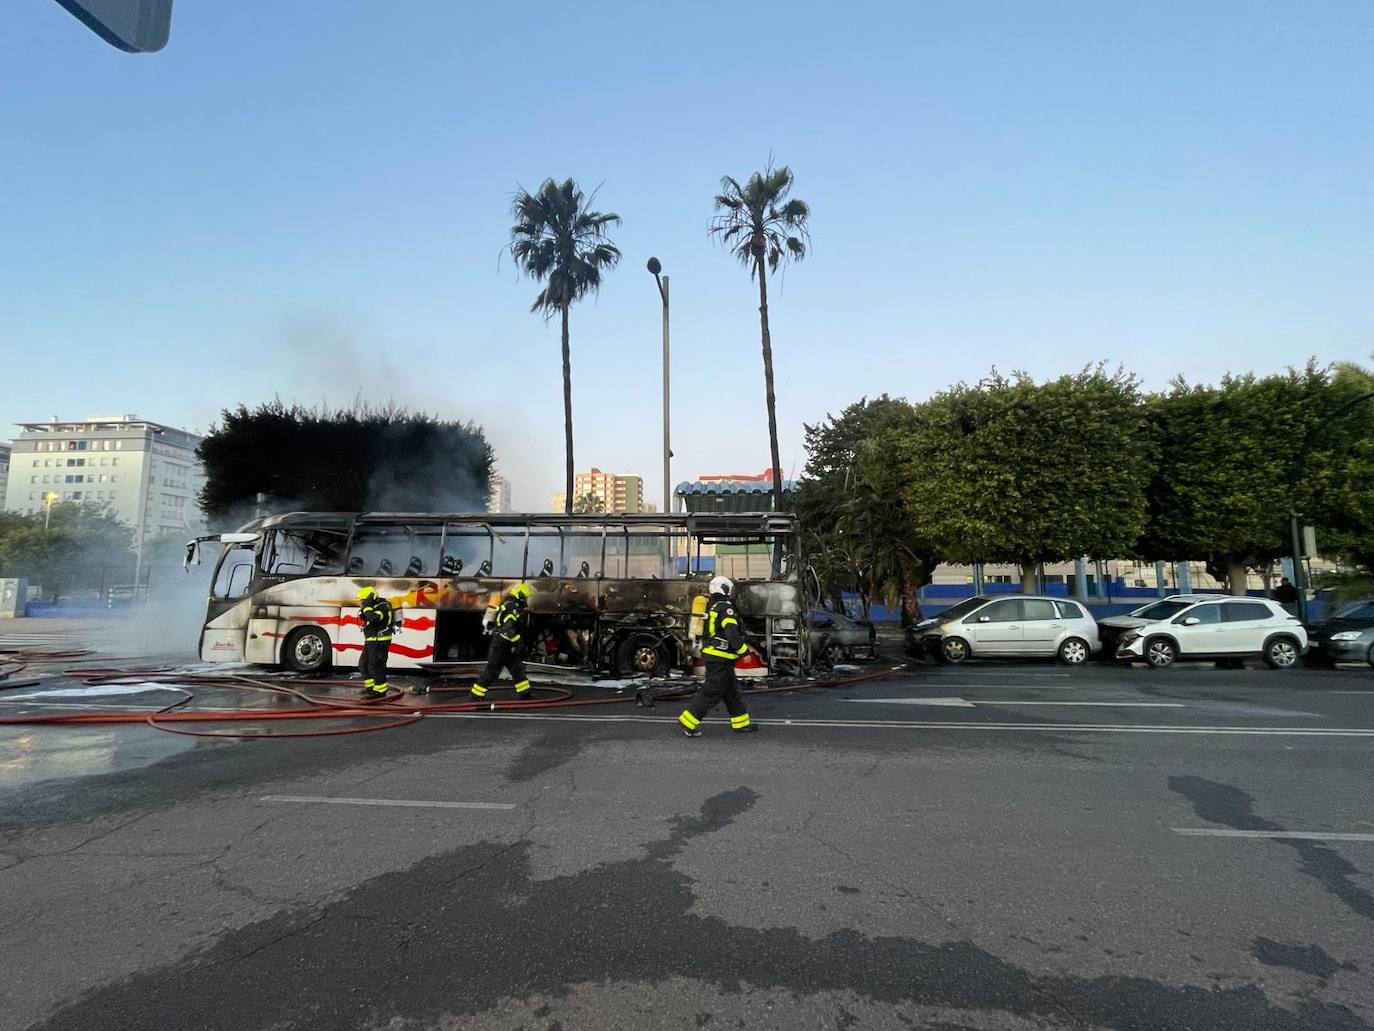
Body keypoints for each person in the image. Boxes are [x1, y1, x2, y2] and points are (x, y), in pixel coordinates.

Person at [679, 575, 758, 738]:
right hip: (719, 657)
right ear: (723, 588)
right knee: (711, 691)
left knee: (732, 692)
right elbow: (731, 632)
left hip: (719, 656)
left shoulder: (712, 604)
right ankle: (688, 721)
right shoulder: (725, 607)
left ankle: (741, 723)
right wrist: (744, 652)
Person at [471, 582, 533, 701]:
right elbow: (509, 627)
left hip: (506, 643)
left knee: (516, 668)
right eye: (525, 596)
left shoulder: (510, 603)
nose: (526, 599)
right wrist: (517, 642)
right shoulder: (513, 607)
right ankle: (476, 694)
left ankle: (525, 693)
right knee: (492, 670)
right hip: (502, 644)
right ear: (520, 595)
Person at [356, 585, 396, 699]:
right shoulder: (372, 606)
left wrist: (367, 608)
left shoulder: (383, 606)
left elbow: (374, 618)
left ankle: (379, 691)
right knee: (363, 664)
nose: (361, 602)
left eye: (363, 600)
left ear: (369, 598)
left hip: (380, 641)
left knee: (376, 665)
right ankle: (370, 688)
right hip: (371, 641)